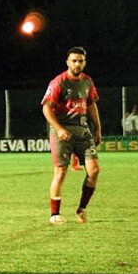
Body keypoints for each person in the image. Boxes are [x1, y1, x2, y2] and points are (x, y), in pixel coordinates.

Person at [41, 46, 101, 225]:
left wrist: (97, 128)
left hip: (83, 132)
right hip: (63, 132)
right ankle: (54, 214)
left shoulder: (87, 82)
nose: (77, 64)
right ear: (68, 62)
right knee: (61, 171)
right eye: (74, 61)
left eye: (80, 61)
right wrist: (59, 129)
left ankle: (82, 208)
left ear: (84, 62)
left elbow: (90, 104)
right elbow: (46, 108)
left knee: (94, 170)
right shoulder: (58, 82)